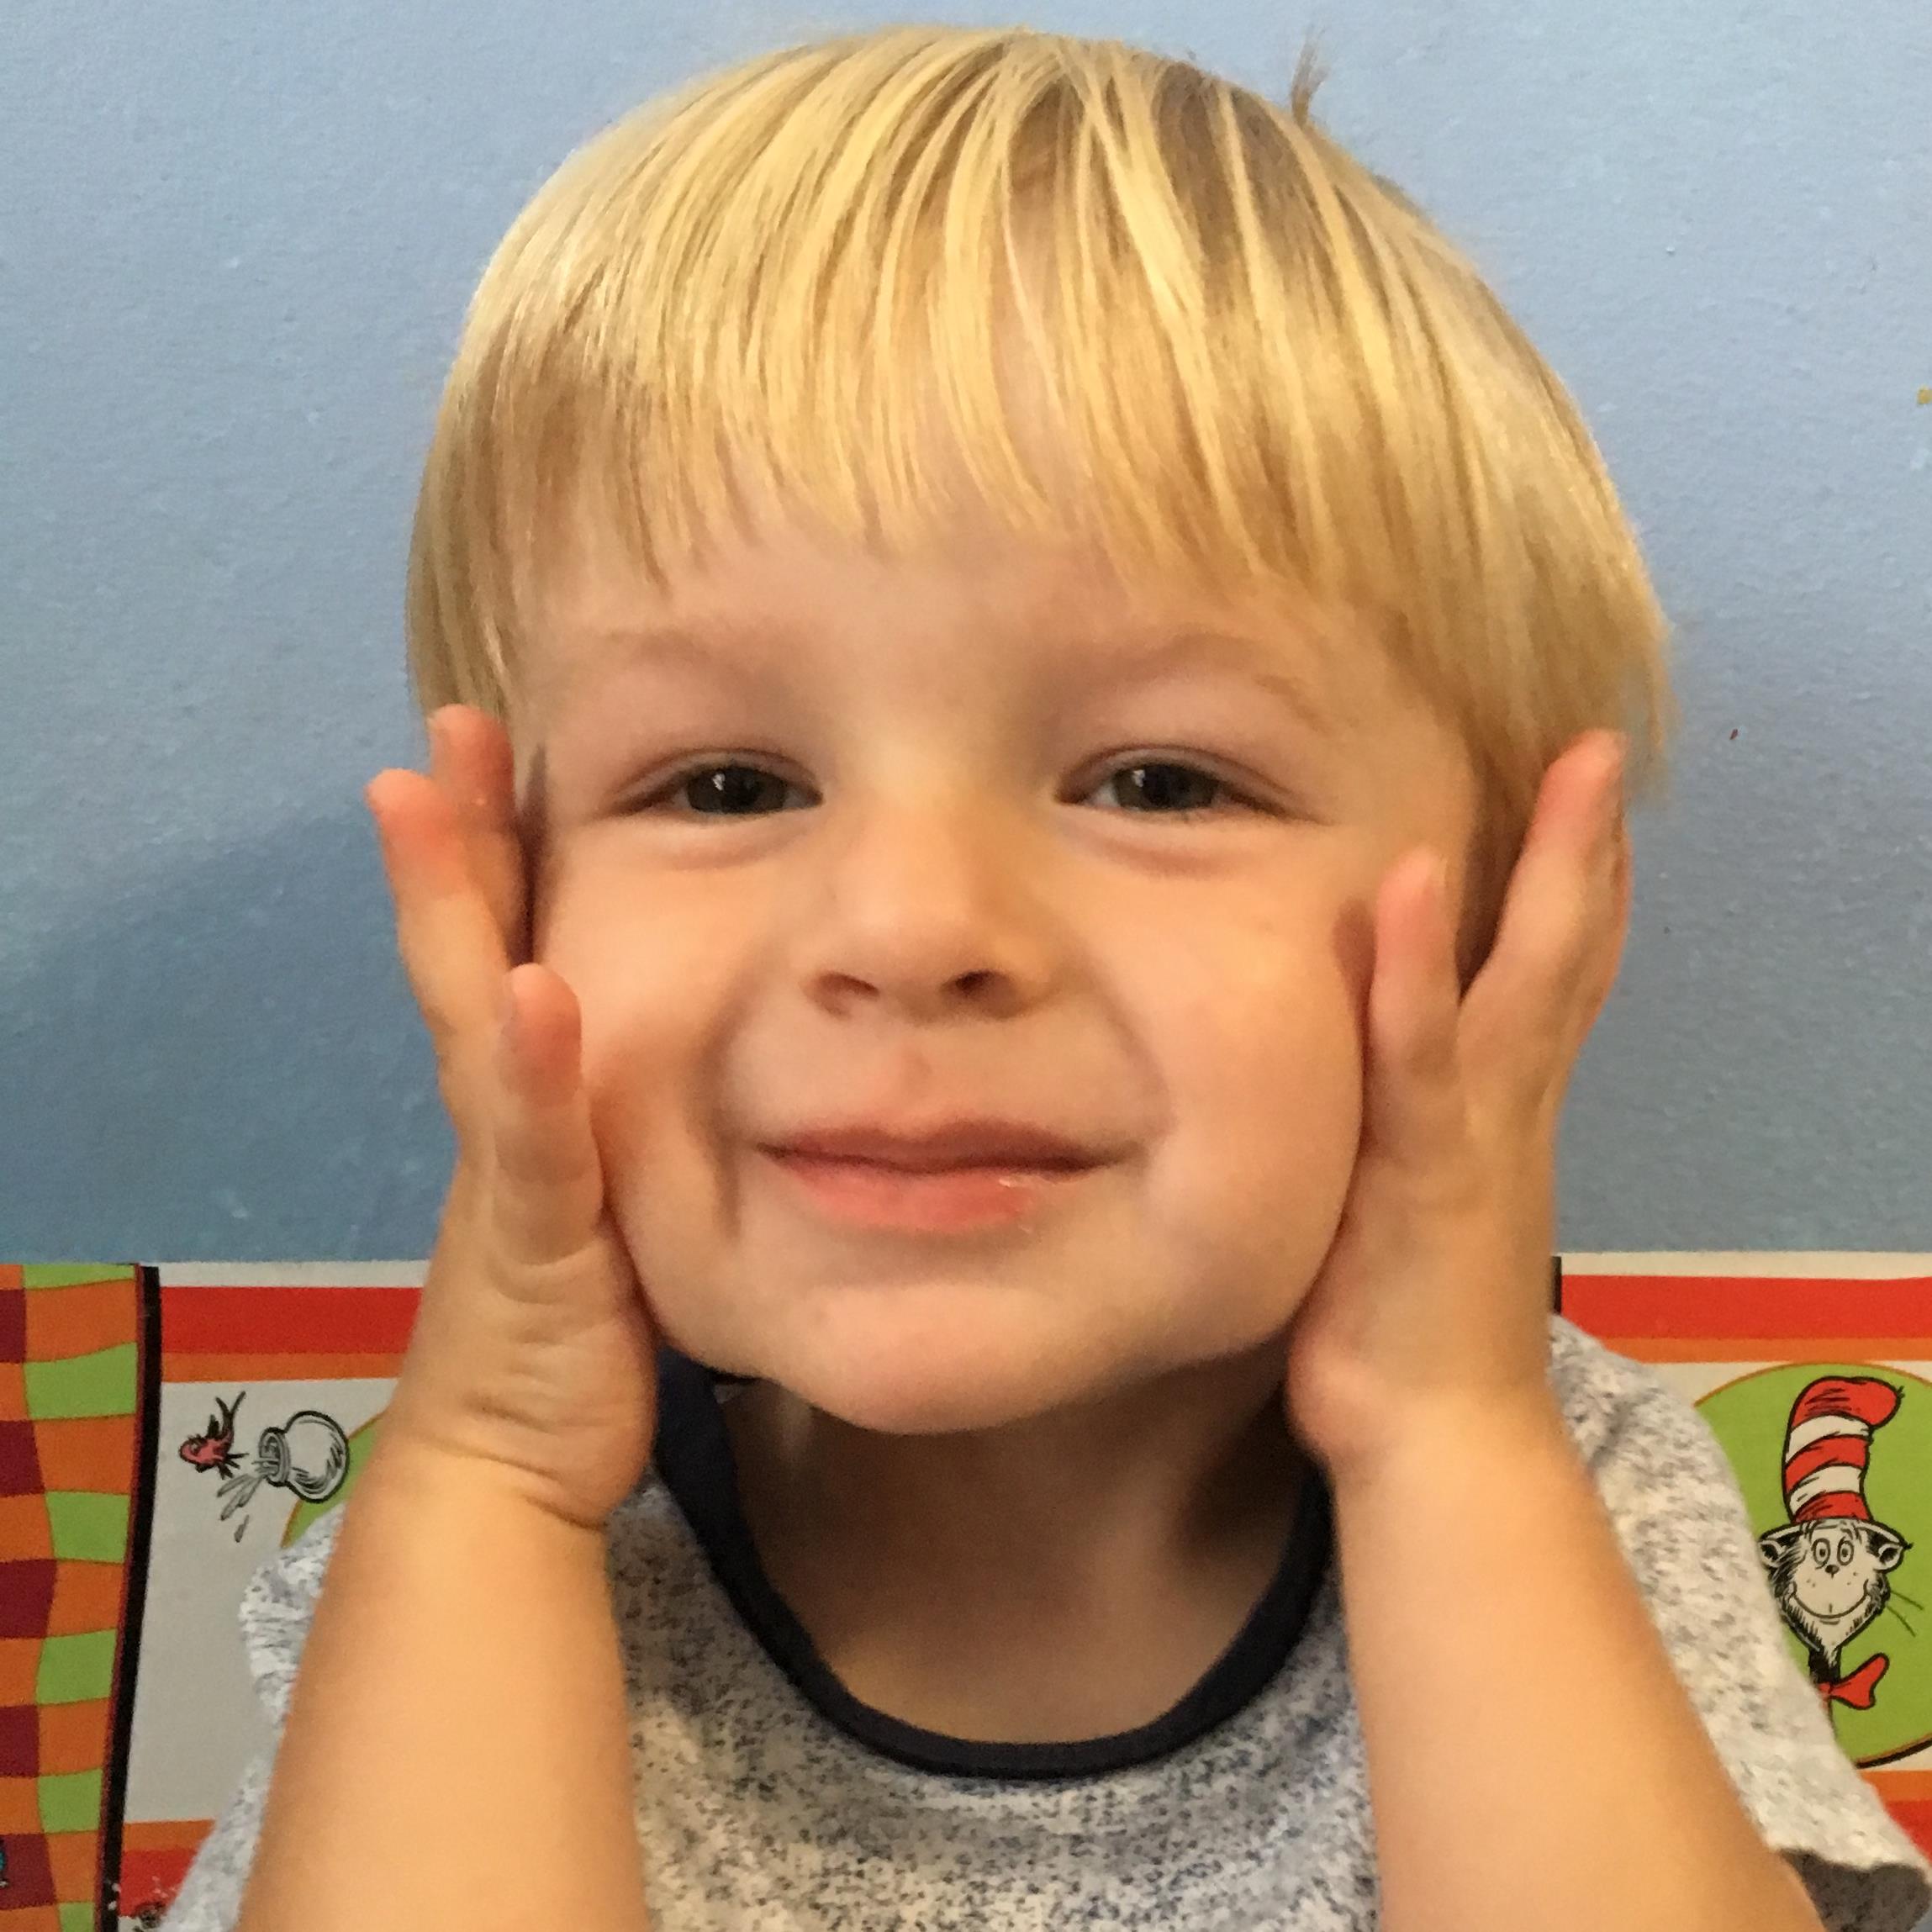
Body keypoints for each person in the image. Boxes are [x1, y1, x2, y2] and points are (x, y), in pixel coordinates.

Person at [161, 24, 1930, 1932]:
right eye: (728, 784)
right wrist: (489, 1469)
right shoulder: (465, 1567)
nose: (910, 928)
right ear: (508, 908)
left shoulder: (1563, 1486)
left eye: (1160, 783)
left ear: (1517, 941)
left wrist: (1445, 1439)